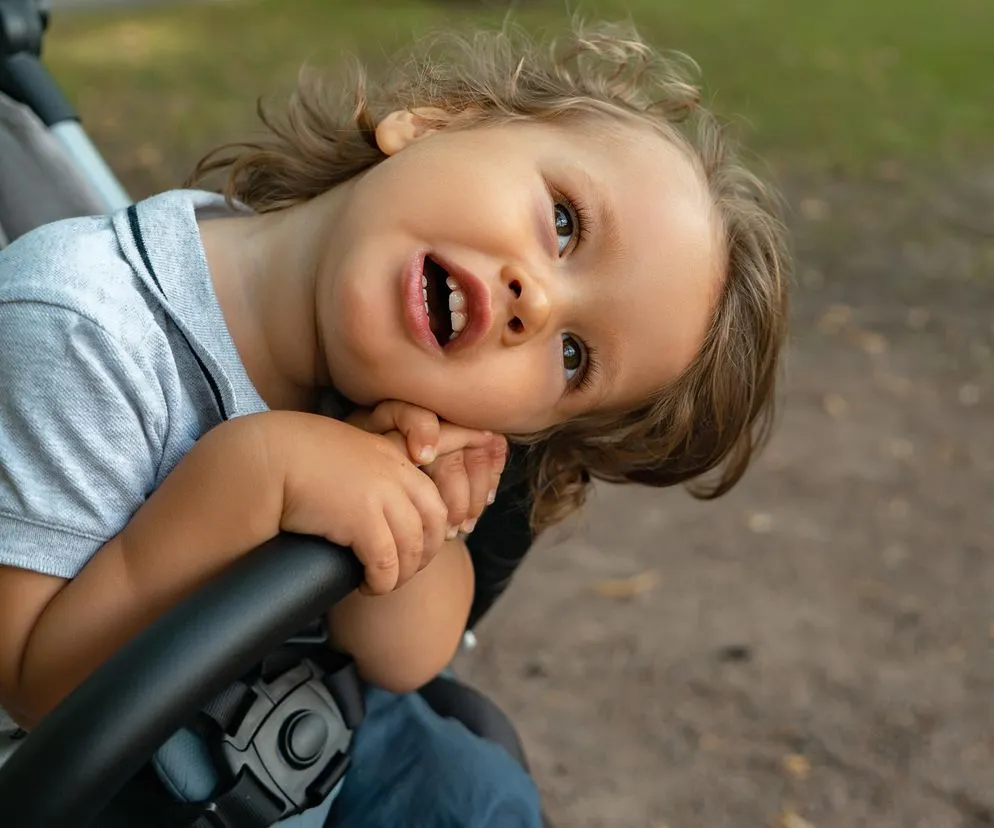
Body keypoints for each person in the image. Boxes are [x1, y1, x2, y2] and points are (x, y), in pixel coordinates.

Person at [0, 19, 790, 827]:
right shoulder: (78, 327)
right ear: (439, 118)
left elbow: (406, 658)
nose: (540, 303)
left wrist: (422, 519)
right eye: (563, 223)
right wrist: (260, 475)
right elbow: (35, 691)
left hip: (315, 751)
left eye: (574, 358)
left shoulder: (390, 403)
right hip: (103, 792)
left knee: (472, 791)